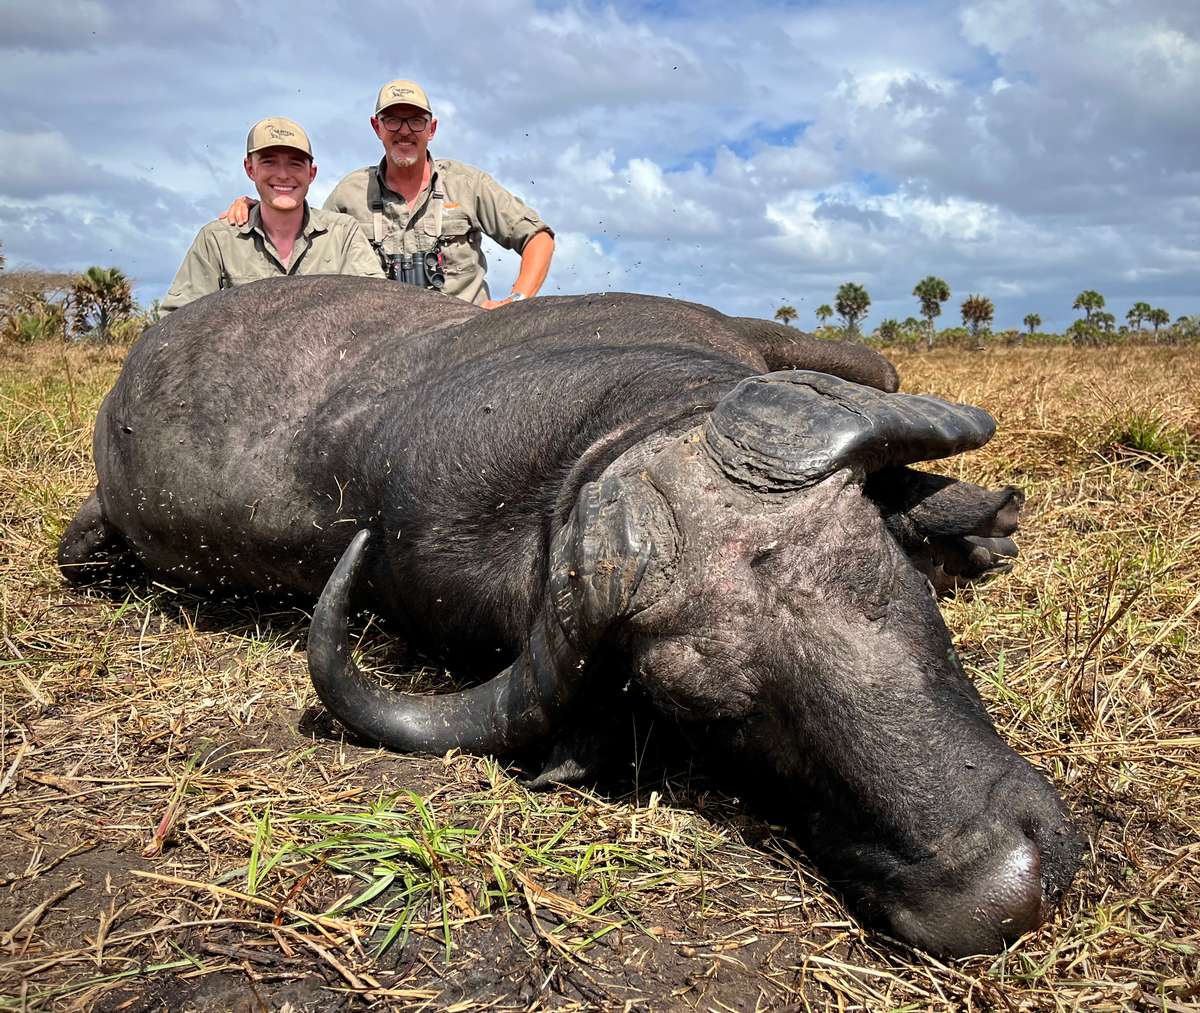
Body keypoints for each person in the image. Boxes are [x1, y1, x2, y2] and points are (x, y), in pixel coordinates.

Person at [221, 81, 554, 308]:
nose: (405, 131)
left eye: (416, 121)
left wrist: (516, 300)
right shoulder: (350, 193)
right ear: (376, 126)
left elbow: (537, 237)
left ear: (432, 129)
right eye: (393, 121)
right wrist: (259, 207)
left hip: (464, 339)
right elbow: (306, 235)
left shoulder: (467, 184)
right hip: (382, 346)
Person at [162, 117, 383, 313]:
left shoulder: (343, 235)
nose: (283, 175)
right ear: (250, 168)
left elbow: (377, 308)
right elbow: (175, 327)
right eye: (269, 162)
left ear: (312, 173)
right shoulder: (216, 241)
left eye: (295, 163)